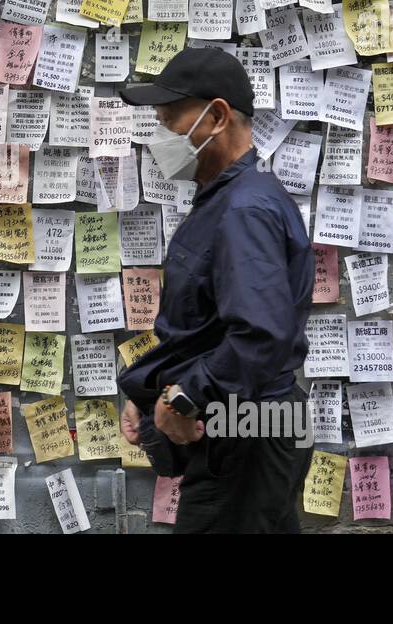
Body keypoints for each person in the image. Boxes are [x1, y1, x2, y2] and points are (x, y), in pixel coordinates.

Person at [116, 48, 315, 533]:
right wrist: (153, 388)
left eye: (168, 119)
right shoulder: (228, 200)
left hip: (246, 429)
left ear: (217, 116)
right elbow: (209, 326)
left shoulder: (244, 211)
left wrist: (184, 398)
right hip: (246, 427)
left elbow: (260, 335)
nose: (160, 135)